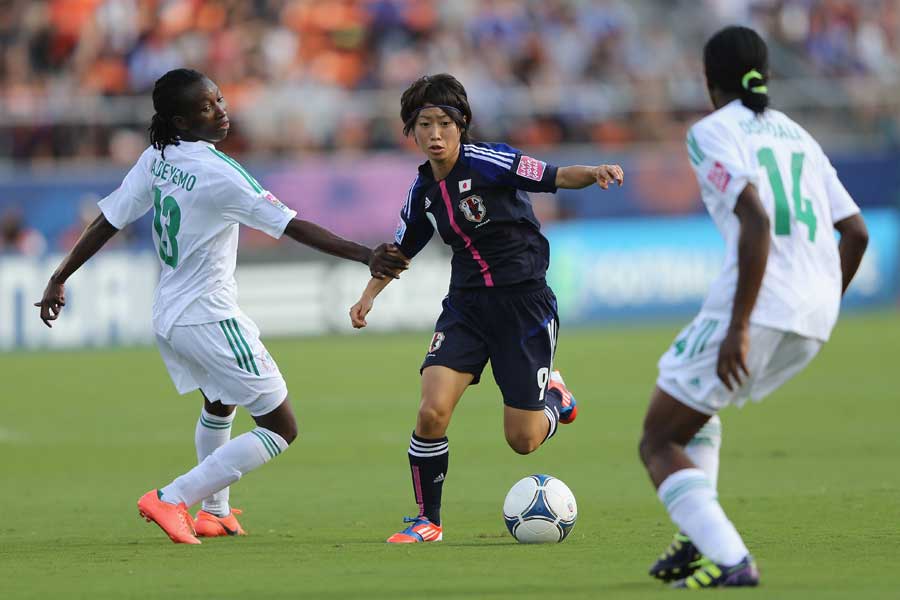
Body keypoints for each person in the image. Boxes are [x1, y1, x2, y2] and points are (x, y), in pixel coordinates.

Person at [34, 68, 407, 544]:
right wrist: (364, 254)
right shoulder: (218, 172)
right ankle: (172, 497)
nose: (223, 111)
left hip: (170, 313)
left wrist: (58, 277)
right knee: (280, 426)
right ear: (182, 121)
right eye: (208, 107)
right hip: (208, 315)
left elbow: (108, 220)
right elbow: (291, 225)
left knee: (220, 400)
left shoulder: (158, 157)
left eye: (221, 100)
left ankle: (214, 511)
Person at [349, 73, 624, 543]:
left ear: (462, 125)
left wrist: (595, 171)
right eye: (424, 125)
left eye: (444, 124)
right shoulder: (422, 193)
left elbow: (554, 176)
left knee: (524, 440)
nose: (435, 135)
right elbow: (399, 251)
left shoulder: (491, 161)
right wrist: (368, 295)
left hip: (525, 307)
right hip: (466, 309)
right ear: (410, 132)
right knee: (431, 412)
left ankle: (557, 400)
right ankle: (427, 521)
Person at [639, 26, 869, 588]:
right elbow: (857, 233)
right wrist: (820, 305)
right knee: (699, 406)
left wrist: (740, 325)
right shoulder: (800, 135)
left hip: (760, 303)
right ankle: (696, 541)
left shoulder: (711, 132)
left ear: (707, 80)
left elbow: (757, 220)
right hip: (815, 313)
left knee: (659, 438)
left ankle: (731, 559)